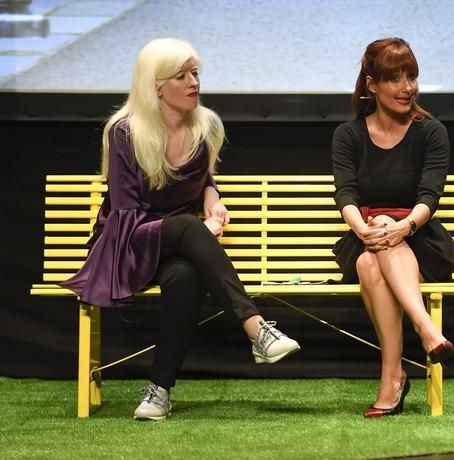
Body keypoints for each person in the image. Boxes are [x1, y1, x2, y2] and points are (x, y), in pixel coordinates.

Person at [60, 38, 300, 421]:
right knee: (188, 227)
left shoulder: (205, 127)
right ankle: (256, 328)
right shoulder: (124, 132)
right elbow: (124, 215)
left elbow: (200, 178)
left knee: (186, 278)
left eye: (195, 73)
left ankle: (159, 391)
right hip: (129, 242)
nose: (194, 82)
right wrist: (195, 226)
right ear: (156, 86)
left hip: (180, 247)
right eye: (182, 76)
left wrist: (212, 194)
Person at [331, 37, 454, 418]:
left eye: (412, 77)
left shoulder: (431, 132)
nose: (408, 88)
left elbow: (430, 196)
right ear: (372, 84)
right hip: (365, 235)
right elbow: (346, 195)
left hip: (420, 235)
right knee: (370, 259)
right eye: (395, 78)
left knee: (375, 258)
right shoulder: (348, 135)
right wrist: (365, 230)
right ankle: (425, 331)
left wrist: (400, 226)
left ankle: (393, 377)